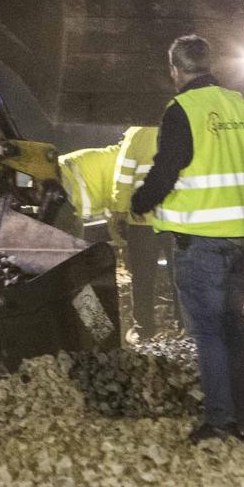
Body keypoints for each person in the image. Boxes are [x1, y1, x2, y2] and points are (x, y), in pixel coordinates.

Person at [130, 34, 244, 443]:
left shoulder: (182, 110)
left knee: (209, 331)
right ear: (210, 66)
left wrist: (141, 200)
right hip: (242, 240)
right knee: (233, 327)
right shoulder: (241, 106)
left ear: (175, 71)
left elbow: (168, 167)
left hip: (201, 242)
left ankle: (220, 420)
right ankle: (240, 410)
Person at [62, 128, 170, 341]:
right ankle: (99, 332)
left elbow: (115, 215)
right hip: (62, 194)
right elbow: (119, 200)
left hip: (59, 193)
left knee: (68, 267)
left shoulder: (113, 155)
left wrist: (121, 239)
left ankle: (97, 331)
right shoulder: (123, 162)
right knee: (73, 270)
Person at [108, 124, 174, 338]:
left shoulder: (136, 133)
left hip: (143, 218)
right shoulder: (183, 125)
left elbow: (124, 176)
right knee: (180, 277)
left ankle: (143, 330)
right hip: (177, 218)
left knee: (143, 278)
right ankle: (186, 326)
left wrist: (119, 210)